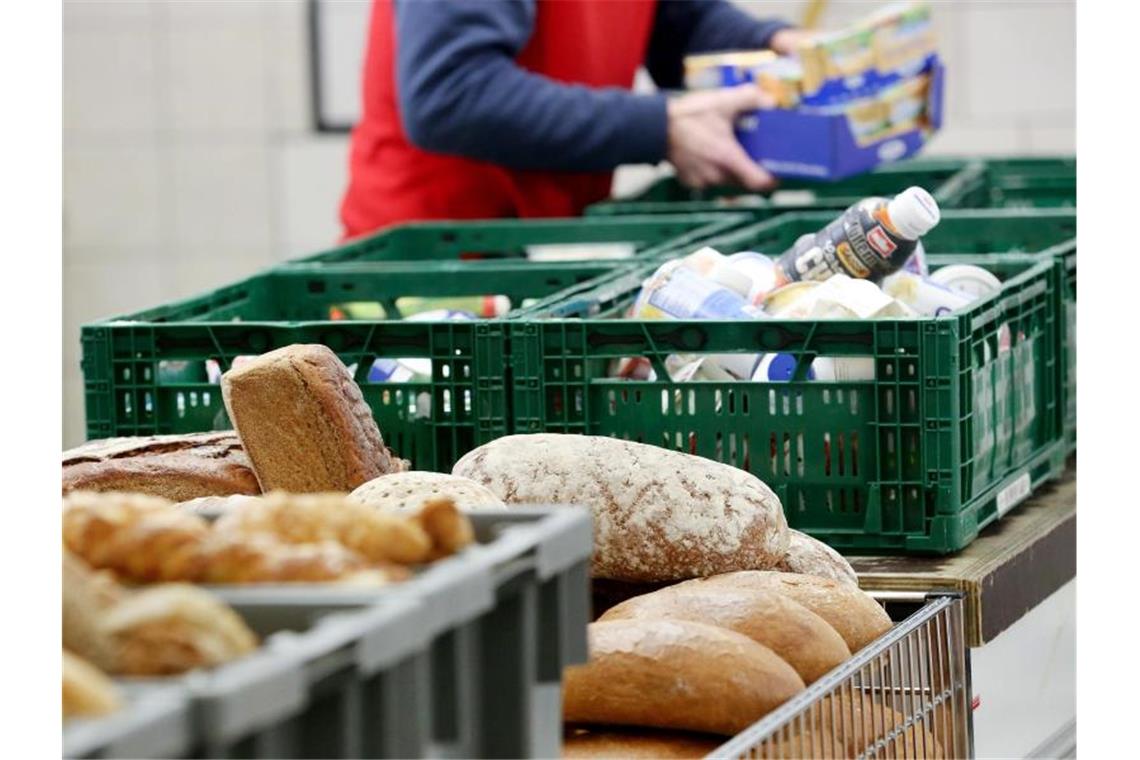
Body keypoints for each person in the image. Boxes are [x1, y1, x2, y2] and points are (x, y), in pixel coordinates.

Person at [340, 0, 811, 239]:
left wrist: (778, 46)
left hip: (549, 251)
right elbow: (450, 93)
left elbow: (678, 23)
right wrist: (663, 126)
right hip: (431, 270)